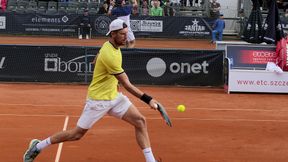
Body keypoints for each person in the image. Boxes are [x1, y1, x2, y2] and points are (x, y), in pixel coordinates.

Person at [23, 19, 162, 162]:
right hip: (98, 100)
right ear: (113, 34)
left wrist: (99, 65)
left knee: (140, 121)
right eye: (122, 34)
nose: (125, 37)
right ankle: (38, 146)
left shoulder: (110, 46)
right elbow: (127, 84)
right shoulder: (110, 55)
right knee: (76, 134)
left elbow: (99, 55)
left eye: (126, 33)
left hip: (114, 97)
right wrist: (149, 99)